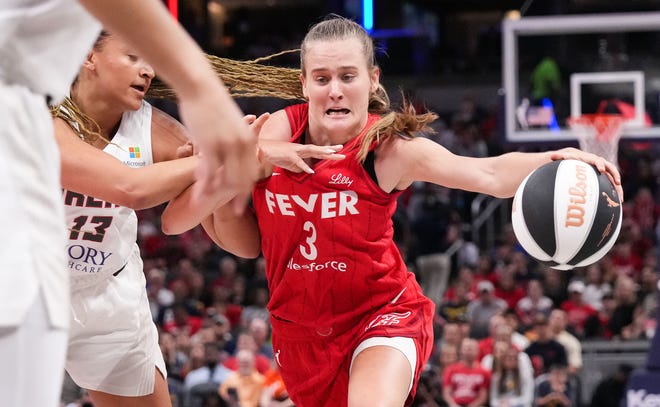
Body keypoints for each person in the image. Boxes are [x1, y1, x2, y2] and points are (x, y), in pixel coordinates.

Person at [161, 15, 622, 407]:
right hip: (298, 333)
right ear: (303, 85)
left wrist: (554, 158)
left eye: (348, 76)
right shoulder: (273, 133)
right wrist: (235, 161)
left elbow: (485, 174)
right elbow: (227, 237)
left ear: (372, 80)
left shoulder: (387, 150)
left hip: (381, 314)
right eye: (321, 79)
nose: (335, 91)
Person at [0, 0, 257, 406]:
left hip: (108, 290)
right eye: (134, 54)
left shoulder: (157, 129)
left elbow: (224, 238)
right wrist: (204, 111)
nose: (148, 69)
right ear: (89, 56)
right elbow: (130, 188)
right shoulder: (41, 111)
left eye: (151, 59)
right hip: (24, 284)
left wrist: (227, 177)